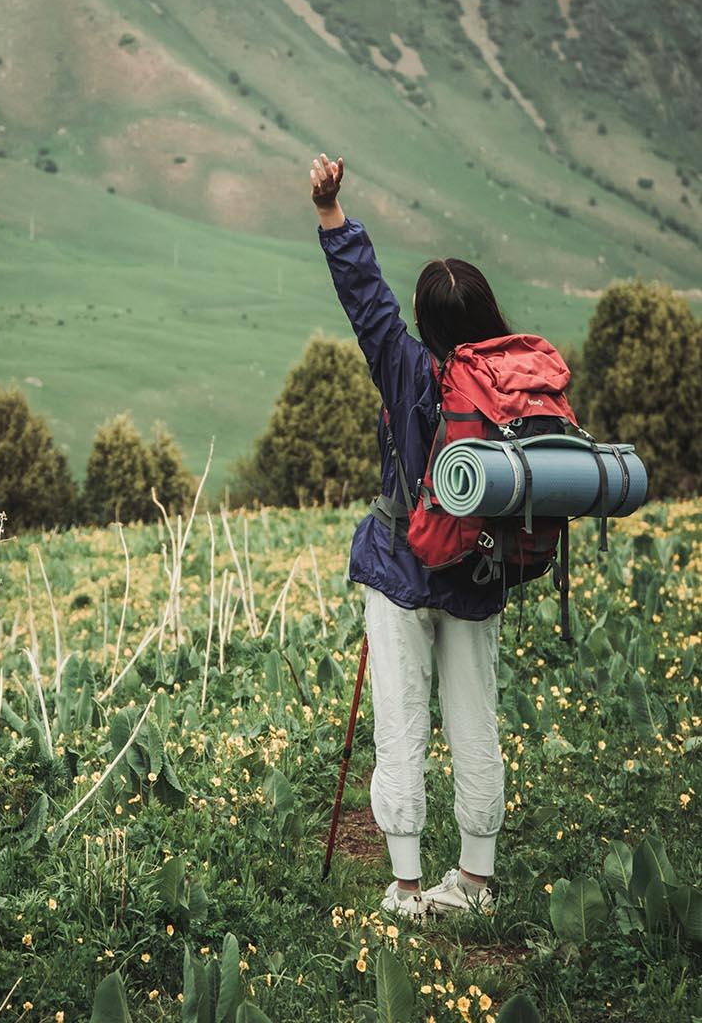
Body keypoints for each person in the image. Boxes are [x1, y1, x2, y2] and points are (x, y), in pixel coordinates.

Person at [311, 151, 511, 920]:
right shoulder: (509, 381)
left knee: (400, 720)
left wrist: (331, 213)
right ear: (487, 317)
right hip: (479, 572)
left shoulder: (406, 367)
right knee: (474, 717)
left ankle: (404, 887)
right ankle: (477, 882)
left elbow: (366, 301)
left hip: (402, 567)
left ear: (424, 324)